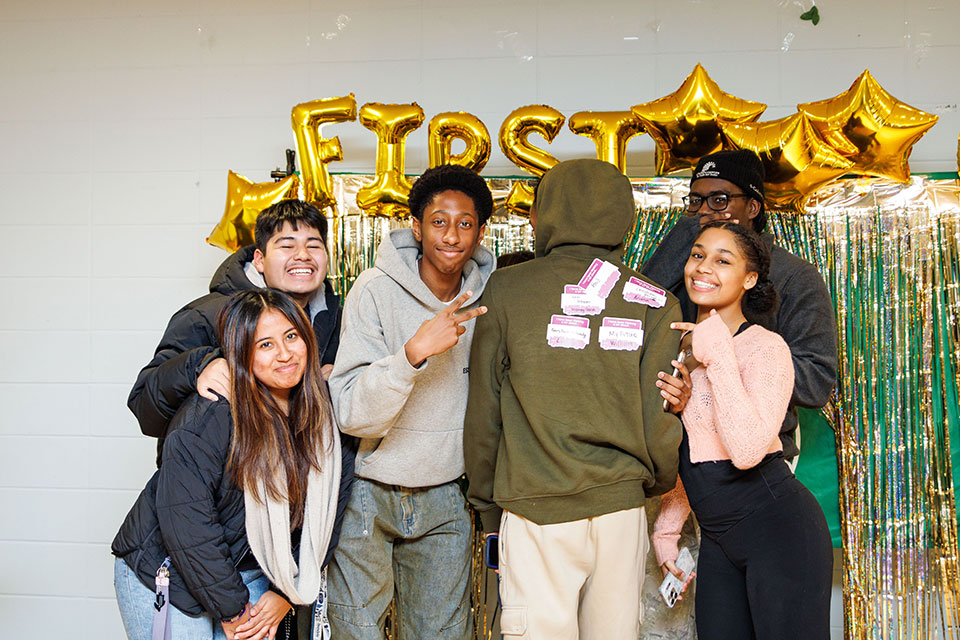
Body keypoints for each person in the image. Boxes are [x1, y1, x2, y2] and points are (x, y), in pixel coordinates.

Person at [463, 158, 684, 639]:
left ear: (547, 213)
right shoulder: (656, 301)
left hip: (534, 507)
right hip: (621, 510)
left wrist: (486, 507)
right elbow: (661, 415)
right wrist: (648, 485)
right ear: (625, 216)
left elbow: (485, 411)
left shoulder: (506, 289)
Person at [112, 289, 350, 640]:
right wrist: (233, 609)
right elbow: (186, 521)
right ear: (242, 354)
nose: (284, 354)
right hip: (168, 571)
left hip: (250, 573)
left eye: (291, 336)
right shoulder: (213, 411)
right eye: (265, 345)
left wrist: (287, 593)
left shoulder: (327, 419)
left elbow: (328, 516)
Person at [326, 164, 496, 639]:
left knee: (441, 633)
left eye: (466, 223)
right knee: (356, 629)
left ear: (481, 231)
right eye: (439, 221)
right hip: (369, 491)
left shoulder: (493, 299)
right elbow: (351, 412)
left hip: (446, 494)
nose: (452, 235)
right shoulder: (374, 290)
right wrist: (412, 354)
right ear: (416, 227)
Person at [652, 221, 833, 640]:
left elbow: (748, 449)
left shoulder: (767, 347)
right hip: (719, 538)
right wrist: (666, 529)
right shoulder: (681, 346)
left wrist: (718, 355)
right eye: (698, 254)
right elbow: (694, 446)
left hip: (780, 530)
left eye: (722, 259)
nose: (703, 267)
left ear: (749, 279)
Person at [641, 149, 837, 460]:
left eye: (719, 200)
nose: (705, 212)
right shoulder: (688, 267)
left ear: (753, 207)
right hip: (676, 454)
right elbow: (636, 314)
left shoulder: (795, 277)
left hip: (755, 459)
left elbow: (816, 382)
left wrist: (720, 353)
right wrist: (683, 236)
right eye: (695, 202)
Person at [128, 199, 343, 463]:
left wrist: (341, 380)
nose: (303, 255)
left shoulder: (338, 320)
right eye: (287, 245)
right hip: (220, 492)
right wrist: (198, 366)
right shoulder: (206, 315)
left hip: (297, 487)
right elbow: (144, 409)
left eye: (313, 245)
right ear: (260, 259)